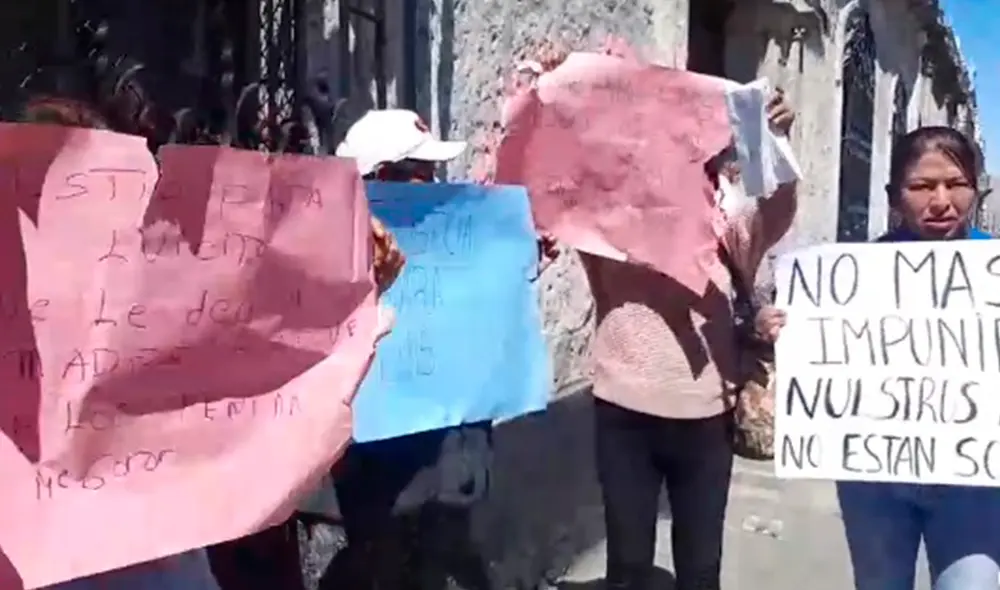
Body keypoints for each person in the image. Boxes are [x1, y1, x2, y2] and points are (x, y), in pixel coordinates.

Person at [580, 90, 797, 590]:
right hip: (623, 414)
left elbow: (776, 210)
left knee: (700, 569)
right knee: (627, 566)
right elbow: (554, 191)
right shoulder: (605, 223)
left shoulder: (726, 226)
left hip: (705, 418)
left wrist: (776, 142)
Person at [320, 108, 496, 590]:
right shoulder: (332, 257)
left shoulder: (446, 241)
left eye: (432, 171)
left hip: (446, 452)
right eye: (420, 172)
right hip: (380, 466)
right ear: (380, 178)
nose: (433, 183)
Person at [830, 126, 999, 590]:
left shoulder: (994, 270)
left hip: (976, 482)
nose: (941, 201)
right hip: (875, 480)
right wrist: (784, 327)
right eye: (922, 186)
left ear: (976, 190)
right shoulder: (846, 278)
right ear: (893, 197)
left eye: (956, 184)